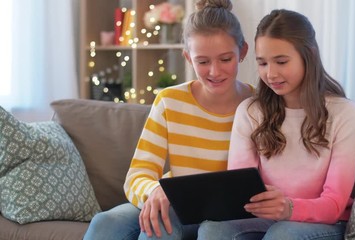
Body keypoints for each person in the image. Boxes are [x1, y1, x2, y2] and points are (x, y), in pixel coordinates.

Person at [83, 0, 253, 239]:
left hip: (226, 215)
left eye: (225, 59)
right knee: (106, 222)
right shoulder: (170, 101)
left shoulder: (258, 105)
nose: (214, 71)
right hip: (176, 203)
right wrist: (157, 190)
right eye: (203, 62)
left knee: (165, 223)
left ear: (242, 52)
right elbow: (137, 176)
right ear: (187, 57)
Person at [197, 9, 355, 240]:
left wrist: (289, 207)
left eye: (281, 61)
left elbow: (334, 203)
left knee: (282, 234)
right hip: (265, 219)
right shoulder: (250, 111)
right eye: (263, 63)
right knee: (212, 229)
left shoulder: (345, 113)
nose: (271, 73)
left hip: (325, 222)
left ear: (310, 56)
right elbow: (238, 189)